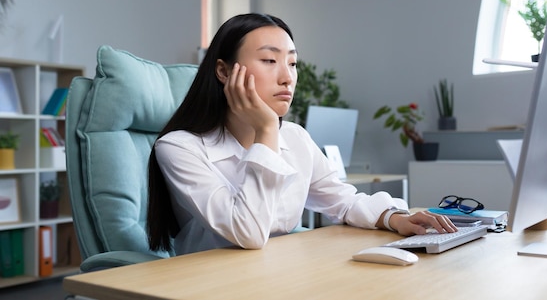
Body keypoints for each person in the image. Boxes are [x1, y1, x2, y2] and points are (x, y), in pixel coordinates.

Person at [147, 13, 456, 255]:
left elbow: (342, 201)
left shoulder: (295, 137)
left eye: (292, 63)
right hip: (209, 286)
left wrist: (393, 218)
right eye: (269, 60)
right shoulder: (178, 147)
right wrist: (265, 129)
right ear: (224, 72)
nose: (287, 77)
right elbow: (248, 234)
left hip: (281, 275)